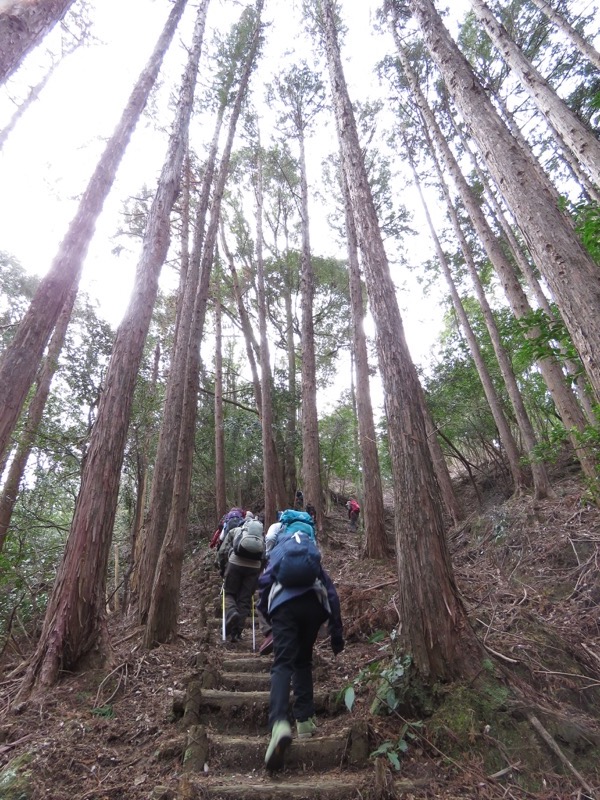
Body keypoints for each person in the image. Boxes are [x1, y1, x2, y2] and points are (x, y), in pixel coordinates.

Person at [258, 548, 344, 771]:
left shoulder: (279, 553)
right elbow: (331, 592)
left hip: (284, 607)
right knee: (303, 660)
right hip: (314, 606)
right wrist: (336, 635)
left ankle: (279, 723)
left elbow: (264, 584)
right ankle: (305, 721)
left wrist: (269, 622)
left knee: (283, 664)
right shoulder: (311, 556)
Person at [217, 517, 265, 643]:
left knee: (229, 593)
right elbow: (264, 557)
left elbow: (222, 551)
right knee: (244, 600)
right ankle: (236, 633)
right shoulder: (260, 536)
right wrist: (258, 573)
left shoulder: (236, 531)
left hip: (235, 564)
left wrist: (223, 569)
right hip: (254, 568)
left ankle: (232, 612)